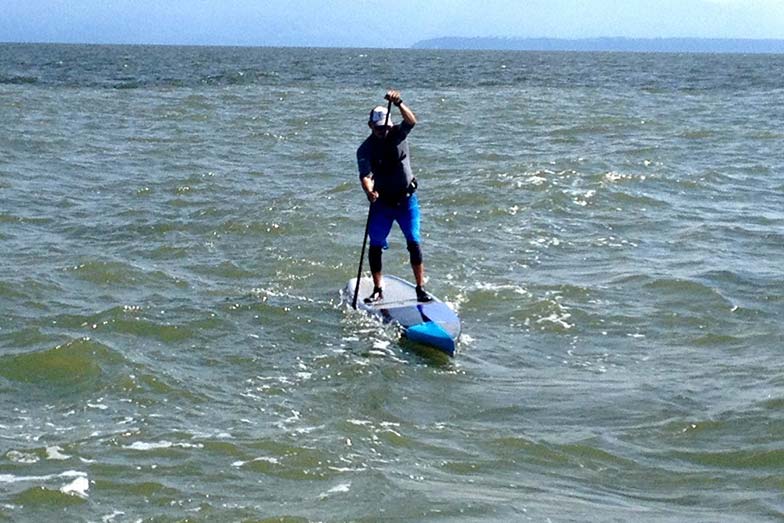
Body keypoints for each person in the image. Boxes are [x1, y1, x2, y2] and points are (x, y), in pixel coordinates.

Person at [356, 90, 432, 304]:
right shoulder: (365, 149)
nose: (384, 132)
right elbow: (365, 176)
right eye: (380, 129)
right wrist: (369, 191)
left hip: (406, 202)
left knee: (414, 242)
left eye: (387, 127)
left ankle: (420, 288)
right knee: (376, 245)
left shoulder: (398, 133)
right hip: (382, 204)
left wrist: (399, 103)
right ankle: (378, 289)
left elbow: (411, 121)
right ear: (371, 126)